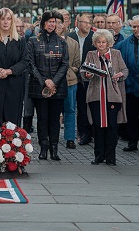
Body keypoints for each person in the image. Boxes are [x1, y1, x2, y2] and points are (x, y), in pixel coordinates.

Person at [27, 10, 69, 161]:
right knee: (42, 118)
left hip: (57, 86)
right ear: (44, 23)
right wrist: (44, 81)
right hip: (39, 86)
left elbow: (65, 64)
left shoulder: (62, 42)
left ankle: (54, 148)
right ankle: (44, 148)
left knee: (54, 118)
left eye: (55, 22)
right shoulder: (33, 41)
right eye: (50, 21)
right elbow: (31, 64)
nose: (53, 24)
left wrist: (54, 81)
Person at [82, 29, 128, 165]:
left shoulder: (116, 54)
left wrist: (119, 75)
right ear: (94, 43)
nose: (101, 45)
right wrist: (87, 74)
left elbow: (125, 70)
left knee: (112, 126)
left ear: (109, 43)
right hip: (96, 96)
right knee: (98, 126)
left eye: (104, 42)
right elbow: (84, 70)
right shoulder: (91, 54)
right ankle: (99, 155)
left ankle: (111, 156)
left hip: (112, 96)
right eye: (98, 42)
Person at [115, 15, 139, 154]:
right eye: (134, 26)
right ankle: (132, 142)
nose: (136, 29)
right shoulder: (124, 44)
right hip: (129, 85)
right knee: (131, 115)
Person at [69, 13, 96, 145]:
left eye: (89, 22)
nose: (87, 25)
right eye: (85, 22)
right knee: (79, 106)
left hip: (90, 78)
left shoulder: (94, 38)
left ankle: (91, 132)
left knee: (89, 106)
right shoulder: (70, 37)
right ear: (77, 23)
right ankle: (82, 133)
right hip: (74, 77)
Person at [56, 11, 80, 149]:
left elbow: (77, 63)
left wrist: (71, 70)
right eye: (58, 21)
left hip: (70, 81)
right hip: (53, 81)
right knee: (53, 111)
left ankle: (70, 138)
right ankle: (51, 136)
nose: (60, 25)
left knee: (70, 110)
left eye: (63, 21)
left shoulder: (73, 43)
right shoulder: (47, 41)